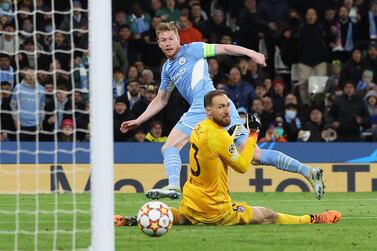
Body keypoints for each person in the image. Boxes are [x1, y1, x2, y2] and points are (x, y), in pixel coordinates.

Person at [120, 22, 324, 201]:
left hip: (205, 104)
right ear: (158, 42)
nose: (167, 43)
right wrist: (138, 120)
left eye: (170, 38)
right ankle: (309, 172)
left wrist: (251, 53)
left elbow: (225, 48)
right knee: (254, 156)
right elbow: (161, 99)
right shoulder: (167, 69)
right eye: (162, 40)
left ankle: (173, 185)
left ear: (178, 38)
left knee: (169, 147)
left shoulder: (194, 49)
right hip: (223, 105)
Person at [115, 91, 341, 227]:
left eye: (228, 107)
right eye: (221, 107)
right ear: (208, 111)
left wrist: (233, 136)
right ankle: (311, 219)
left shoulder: (198, 128)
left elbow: (217, 146)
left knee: (186, 218)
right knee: (267, 215)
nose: (227, 111)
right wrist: (253, 134)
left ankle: (136, 219)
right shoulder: (218, 137)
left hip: (191, 202)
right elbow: (243, 166)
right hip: (216, 210)